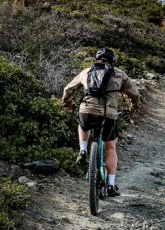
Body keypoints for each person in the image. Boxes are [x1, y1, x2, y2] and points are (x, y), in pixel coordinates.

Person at [62, 48, 140, 197]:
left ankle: (83, 149)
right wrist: (134, 106)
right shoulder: (120, 74)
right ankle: (110, 185)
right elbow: (134, 94)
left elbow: (68, 89)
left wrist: (67, 103)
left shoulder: (86, 72)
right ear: (112, 60)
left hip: (87, 110)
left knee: (83, 124)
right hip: (108, 115)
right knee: (110, 146)